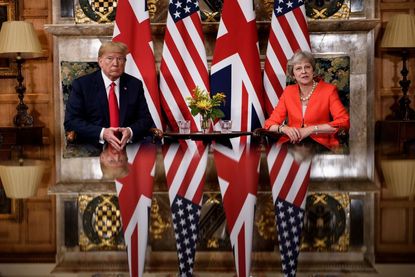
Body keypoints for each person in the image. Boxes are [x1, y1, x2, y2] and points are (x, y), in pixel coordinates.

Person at [64, 41, 162, 153]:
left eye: (120, 59)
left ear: (125, 62)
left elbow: (145, 119)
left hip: (128, 144)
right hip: (93, 143)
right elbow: (71, 121)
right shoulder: (82, 85)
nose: (115, 63)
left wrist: (130, 131)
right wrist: (102, 133)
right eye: (110, 58)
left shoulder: (134, 84)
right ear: (100, 61)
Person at [264, 50, 350, 151]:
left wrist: (311, 129)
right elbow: (269, 124)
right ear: (293, 75)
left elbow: (344, 121)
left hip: (320, 144)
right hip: (291, 143)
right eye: (298, 68)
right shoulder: (288, 92)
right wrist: (284, 129)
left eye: (307, 67)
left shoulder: (328, 90)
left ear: (313, 71)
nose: (303, 71)